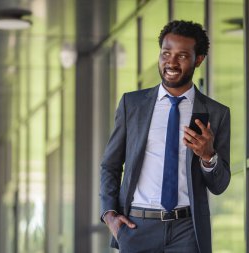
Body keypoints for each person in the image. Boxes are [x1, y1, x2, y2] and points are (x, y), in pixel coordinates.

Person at [99, 20, 231, 253]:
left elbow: (219, 185)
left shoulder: (216, 113)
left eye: (181, 56)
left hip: (187, 230)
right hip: (136, 227)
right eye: (166, 53)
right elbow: (110, 165)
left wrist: (208, 156)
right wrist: (109, 214)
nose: (171, 62)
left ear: (198, 59)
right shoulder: (133, 104)